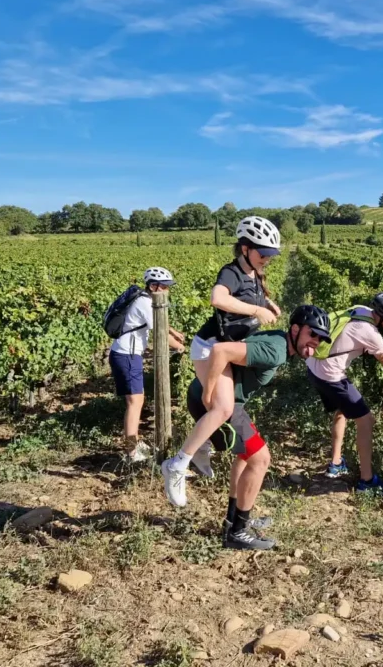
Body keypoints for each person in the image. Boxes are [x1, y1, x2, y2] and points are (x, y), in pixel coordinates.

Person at [161, 305, 331, 551]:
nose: (316, 341)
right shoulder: (276, 351)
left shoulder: (280, 341)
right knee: (261, 460)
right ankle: (238, 532)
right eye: (312, 334)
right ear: (295, 329)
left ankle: (234, 521)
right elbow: (220, 350)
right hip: (221, 405)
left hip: (222, 401)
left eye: (321, 338)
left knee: (245, 458)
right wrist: (210, 395)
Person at [306, 292, 383, 493]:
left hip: (313, 366)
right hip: (331, 376)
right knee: (366, 421)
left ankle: (335, 463)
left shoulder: (361, 309)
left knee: (342, 411)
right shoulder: (371, 334)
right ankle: (367, 481)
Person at [187, 216, 283, 477]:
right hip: (210, 346)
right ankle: (185, 457)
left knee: (224, 405)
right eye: (263, 253)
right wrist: (255, 309)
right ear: (244, 248)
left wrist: (267, 305)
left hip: (228, 345)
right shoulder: (232, 272)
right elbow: (217, 298)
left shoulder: (255, 272)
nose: (267, 258)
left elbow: (254, 295)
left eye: (270, 254)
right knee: (223, 407)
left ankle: (206, 445)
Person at [108, 267, 186, 462]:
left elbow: (160, 320)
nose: (168, 290)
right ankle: (131, 452)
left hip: (126, 354)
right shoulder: (144, 302)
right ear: (153, 286)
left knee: (135, 401)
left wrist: (174, 331)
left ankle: (132, 443)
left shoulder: (145, 299)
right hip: (127, 355)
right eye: (165, 287)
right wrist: (181, 348)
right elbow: (158, 329)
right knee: (135, 403)